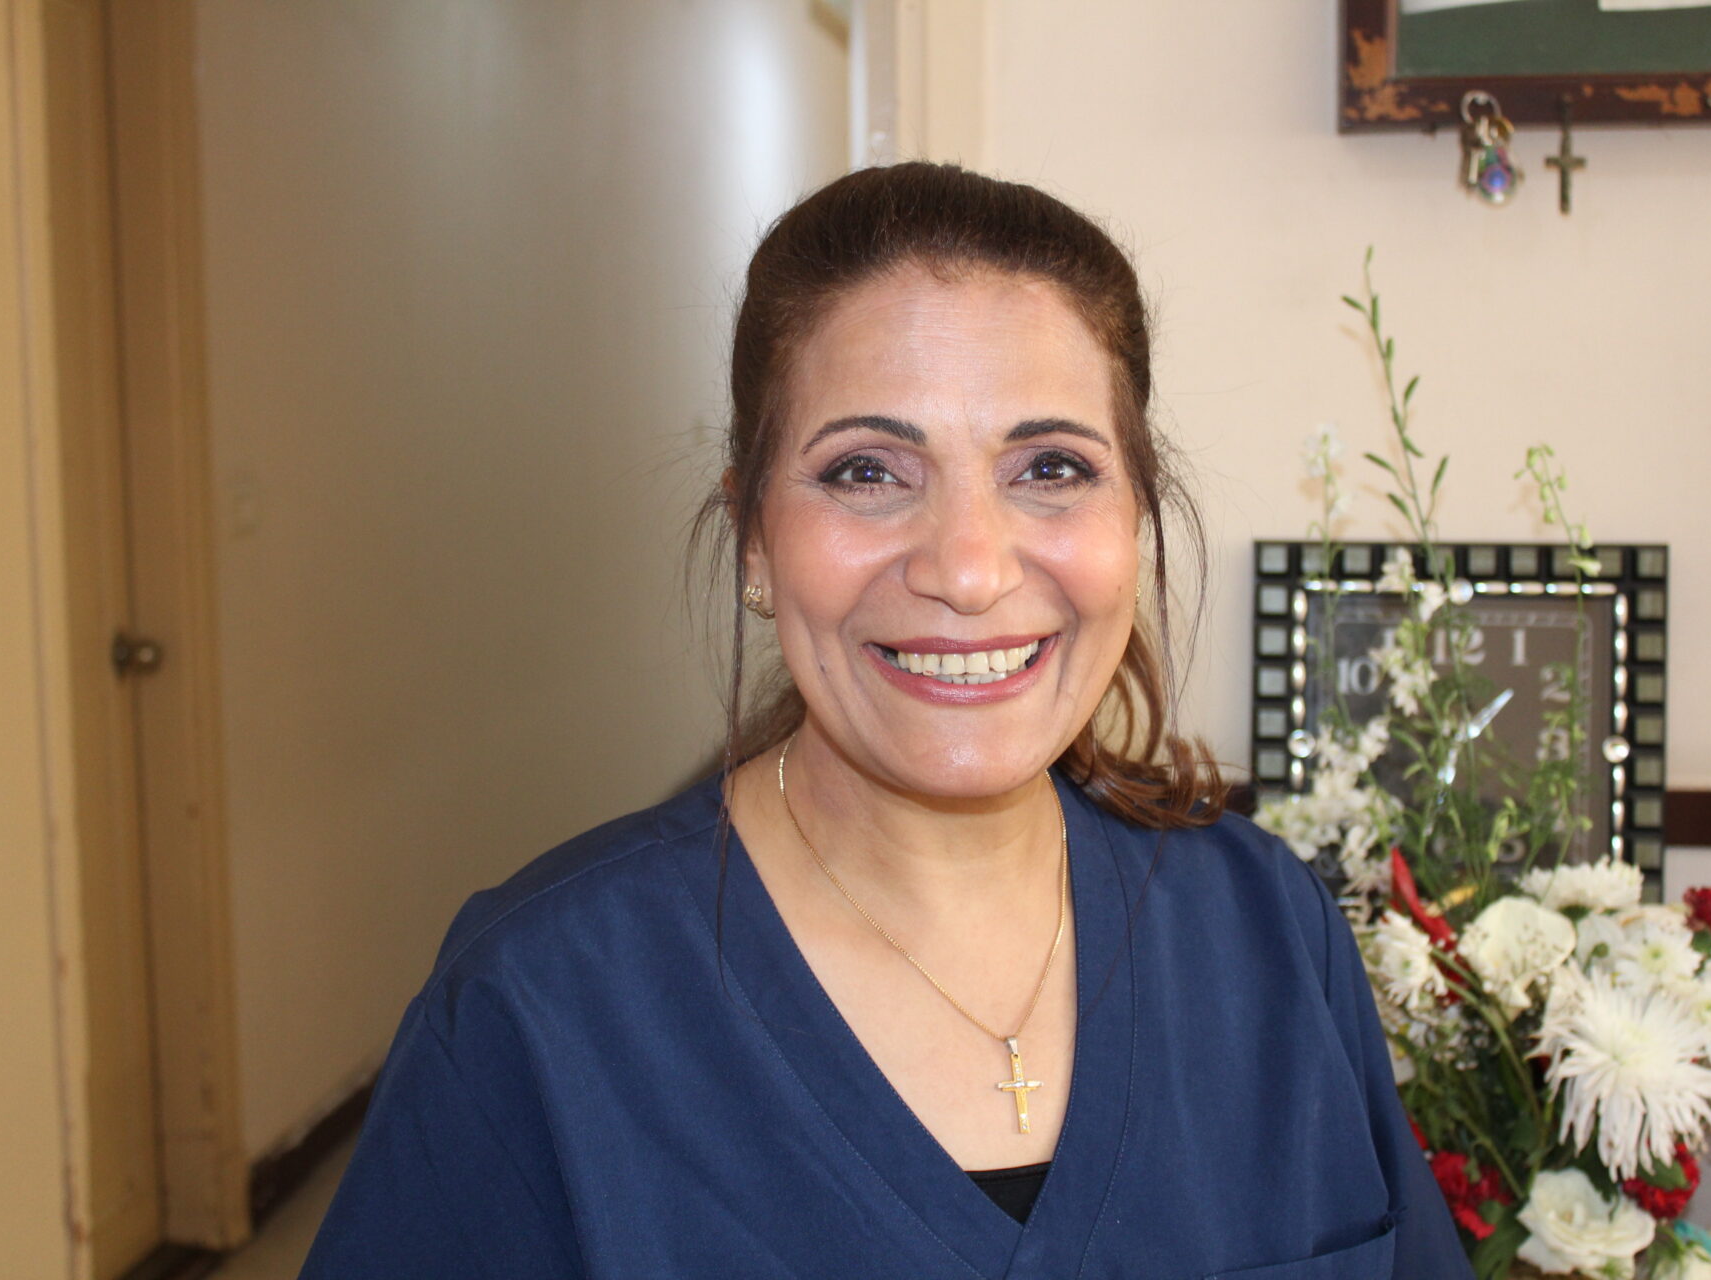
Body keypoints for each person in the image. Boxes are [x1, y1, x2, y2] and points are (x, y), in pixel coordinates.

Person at [298, 163, 1472, 1279]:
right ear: (755, 539)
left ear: (1135, 522)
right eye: (867, 471)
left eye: (1051, 468)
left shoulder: (1269, 934)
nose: (967, 567)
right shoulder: (541, 1005)